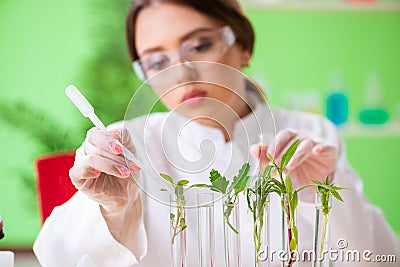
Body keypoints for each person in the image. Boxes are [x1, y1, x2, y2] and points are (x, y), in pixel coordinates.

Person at [33, 0, 400, 266]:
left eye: (199, 45)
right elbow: (55, 257)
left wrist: (324, 196)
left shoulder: (308, 134)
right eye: (157, 62)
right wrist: (112, 210)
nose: (181, 72)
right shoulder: (126, 145)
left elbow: (379, 257)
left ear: (243, 46)